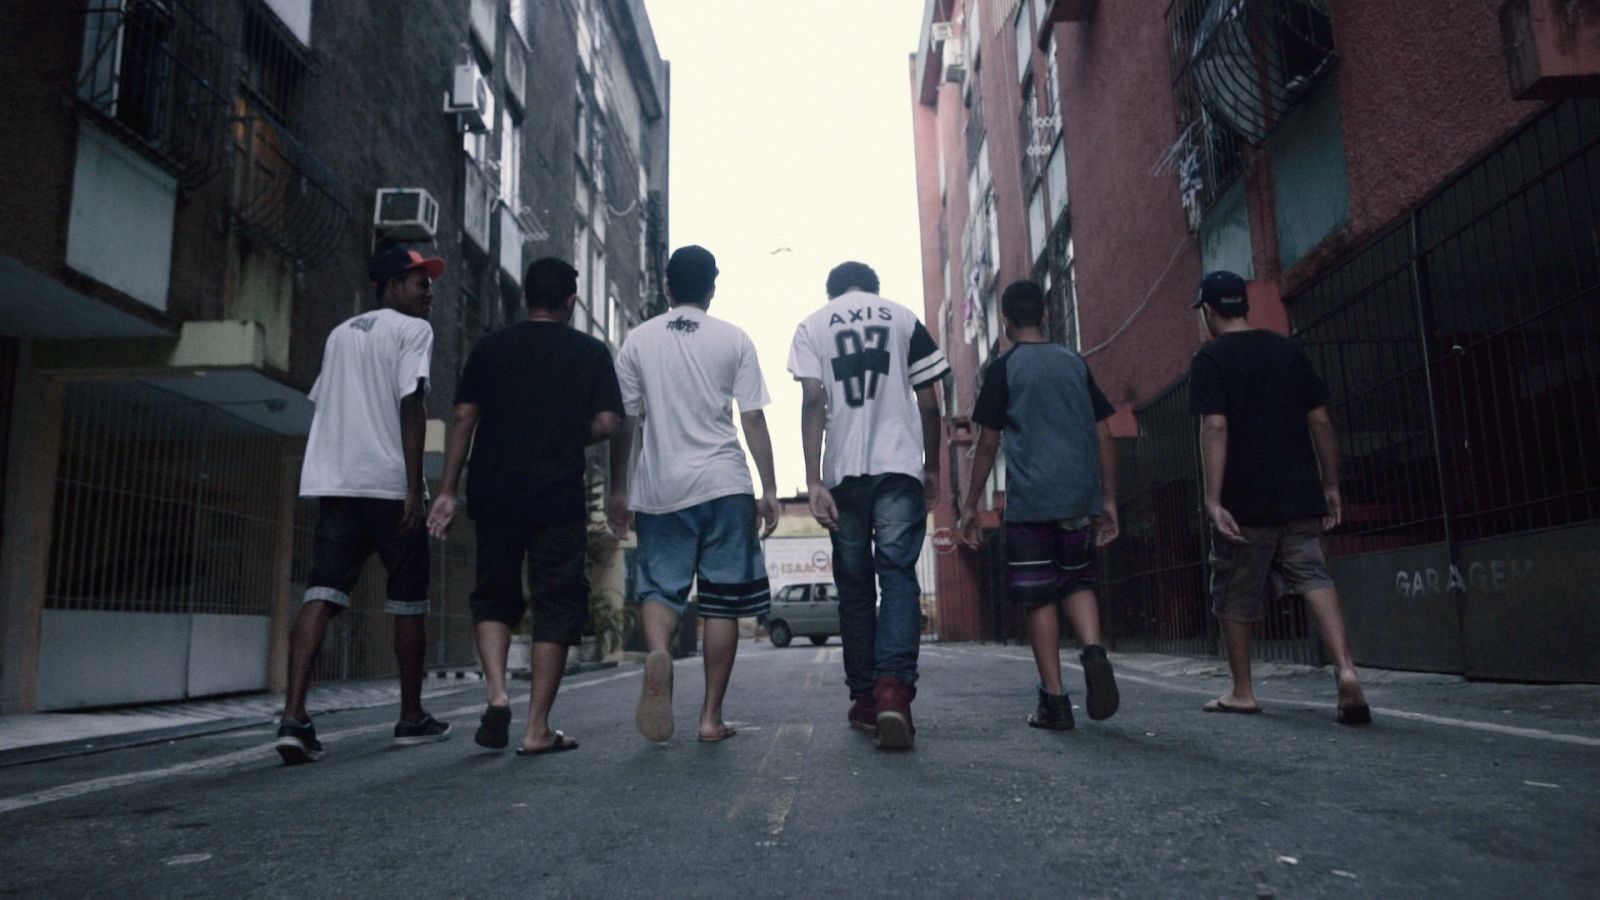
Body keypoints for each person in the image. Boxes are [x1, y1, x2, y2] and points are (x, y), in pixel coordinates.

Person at [427, 257, 623, 755]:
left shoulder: (490, 346)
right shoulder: (590, 352)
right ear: (570, 303)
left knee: (493, 593)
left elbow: (463, 417)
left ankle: (496, 693)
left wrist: (447, 490)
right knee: (556, 603)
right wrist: (564, 434)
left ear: (523, 298)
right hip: (556, 494)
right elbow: (607, 423)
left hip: (494, 489)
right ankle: (536, 728)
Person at [275, 244, 451, 765]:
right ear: (392, 285)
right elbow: (412, 403)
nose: (430, 293)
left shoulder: (339, 334)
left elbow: (325, 401)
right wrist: (414, 485)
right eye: (421, 283)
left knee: (322, 592)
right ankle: (411, 716)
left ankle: (293, 716)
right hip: (388, 485)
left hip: (338, 484)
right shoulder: (413, 330)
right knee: (408, 600)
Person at [607, 245, 780, 743]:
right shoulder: (734, 338)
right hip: (724, 484)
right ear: (712, 287)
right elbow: (752, 417)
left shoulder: (637, 340)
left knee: (660, 589)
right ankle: (709, 718)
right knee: (722, 602)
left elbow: (625, 421)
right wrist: (769, 487)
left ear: (666, 286)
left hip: (661, 488)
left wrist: (619, 488)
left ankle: (660, 651)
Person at [1188, 270, 1370, 725]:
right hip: (1299, 493)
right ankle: (1346, 669)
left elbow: (1215, 426)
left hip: (1245, 500)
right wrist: (1330, 484)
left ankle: (1243, 691)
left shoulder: (1210, 358)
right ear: (1244, 305)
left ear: (1208, 311)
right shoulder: (1288, 350)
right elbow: (1321, 421)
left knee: (1234, 591)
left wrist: (1213, 499)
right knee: (1314, 575)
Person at [787, 261, 948, 750]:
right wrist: (932, 466)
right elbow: (929, 402)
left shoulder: (812, 326)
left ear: (831, 292)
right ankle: (893, 690)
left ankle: (864, 699)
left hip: (844, 474)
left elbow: (813, 400)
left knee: (855, 589)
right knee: (897, 575)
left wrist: (813, 480)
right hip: (898, 467)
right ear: (874, 289)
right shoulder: (903, 318)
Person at [958, 280, 1121, 730]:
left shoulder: (1004, 369)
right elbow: (1103, 431)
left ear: (1006, 322)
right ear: (1046, 316)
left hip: (1031, 500)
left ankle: (1055, 700)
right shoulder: (1074, 363)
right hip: (1077, 496)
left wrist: (970, 505)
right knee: (1078, 579)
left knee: (1039, 595)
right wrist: (1108, 498)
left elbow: (987, 441)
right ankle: (1093, 650)